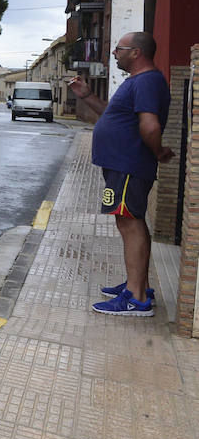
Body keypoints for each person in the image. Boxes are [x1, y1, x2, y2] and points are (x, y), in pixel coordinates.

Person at [67, 31, 174, 317]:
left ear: (136, 52)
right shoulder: (137, 82)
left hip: (128, 163)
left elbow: (150, 126)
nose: (114, 53)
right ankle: (138, 286)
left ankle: (136, 299)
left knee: (130, 223)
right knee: (129, 221)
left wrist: (159, 150)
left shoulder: (148, 81)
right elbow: (112, 116)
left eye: (118, 49)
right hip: (122, 164)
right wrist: (87, 95)